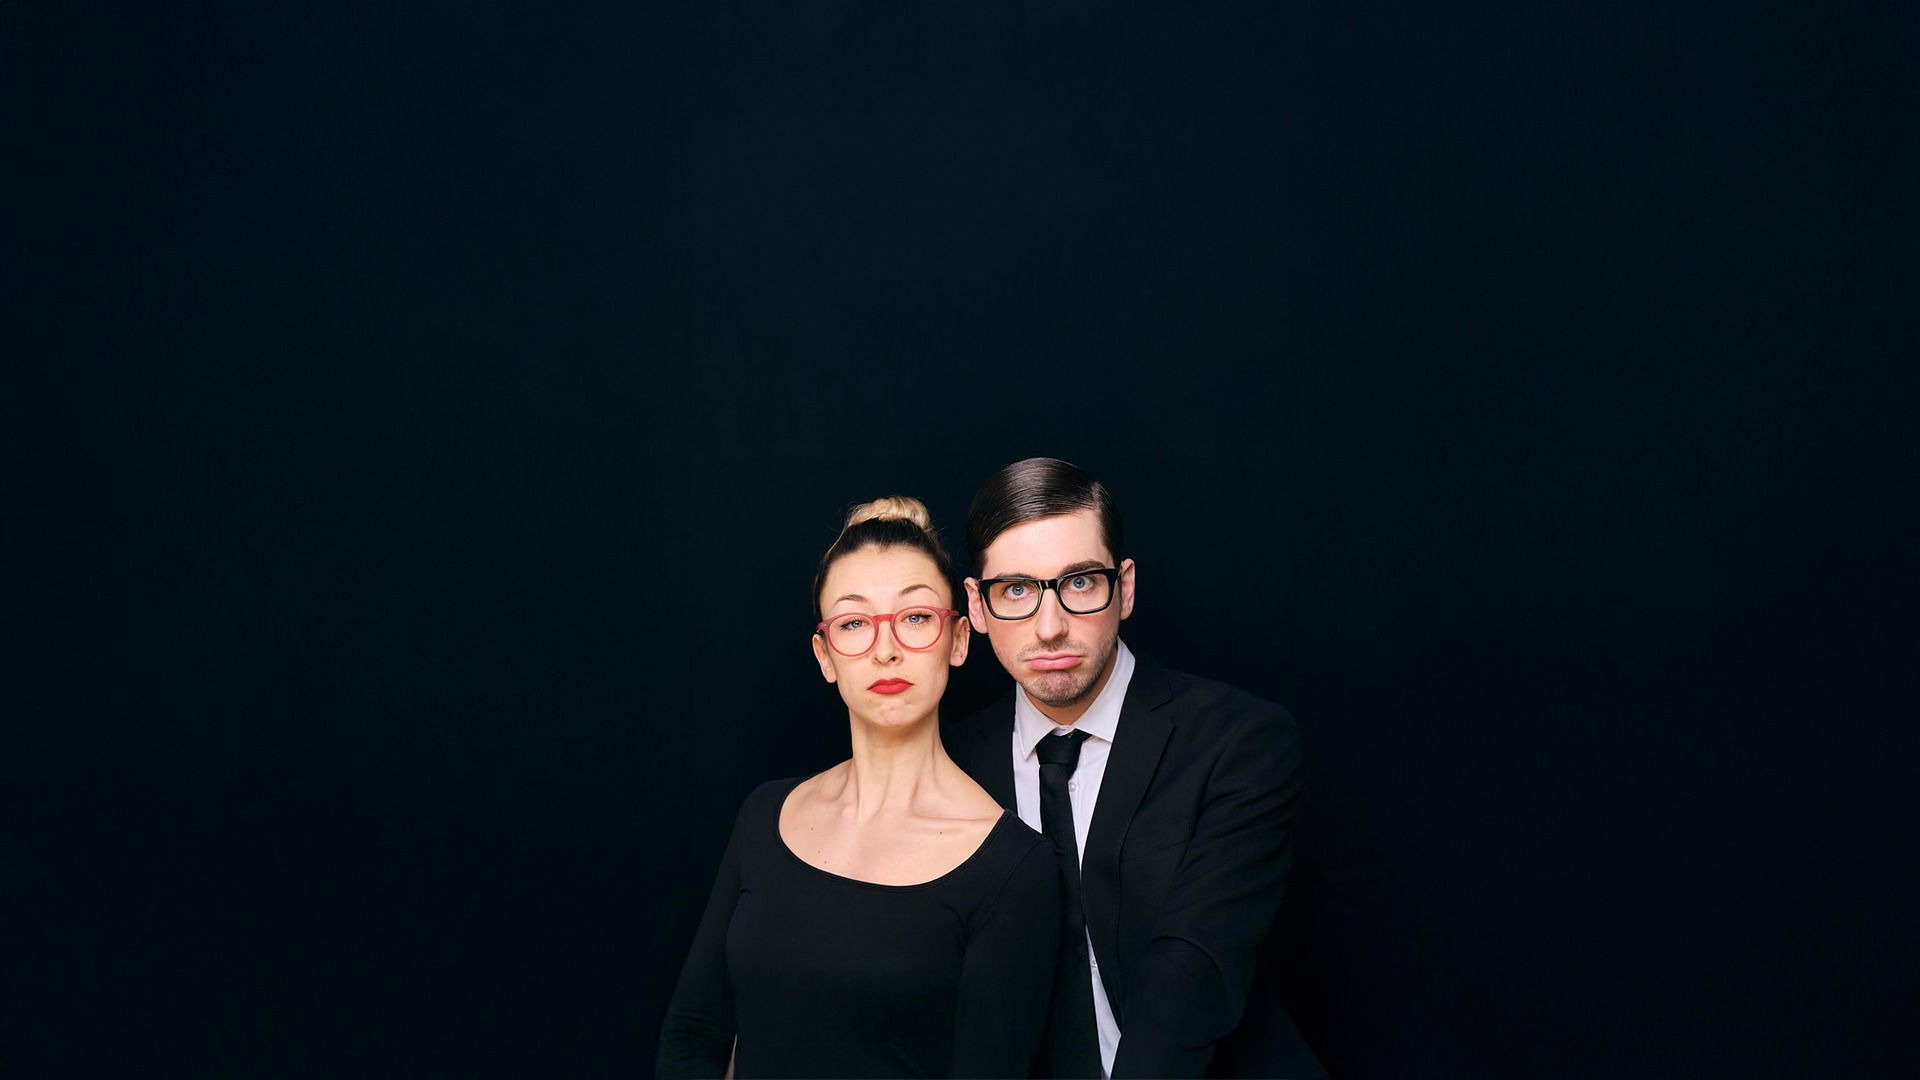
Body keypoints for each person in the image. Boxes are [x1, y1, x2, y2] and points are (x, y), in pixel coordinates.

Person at [656, 497, 1061, 1079]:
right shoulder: (764, 815)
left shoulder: (1014, 867)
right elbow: (694, 1034)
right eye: (853, 623)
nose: (885, 648)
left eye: (916, 617)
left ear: (958, 640)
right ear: (825, 656)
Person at [946, 458, 1324, 1079]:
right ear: (977, 605)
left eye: (1079, 583)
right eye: (1016, 590)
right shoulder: (952, 764)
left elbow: (1193, 974)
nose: (1050, 627)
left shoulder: (1237, 741)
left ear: (1124, 588)